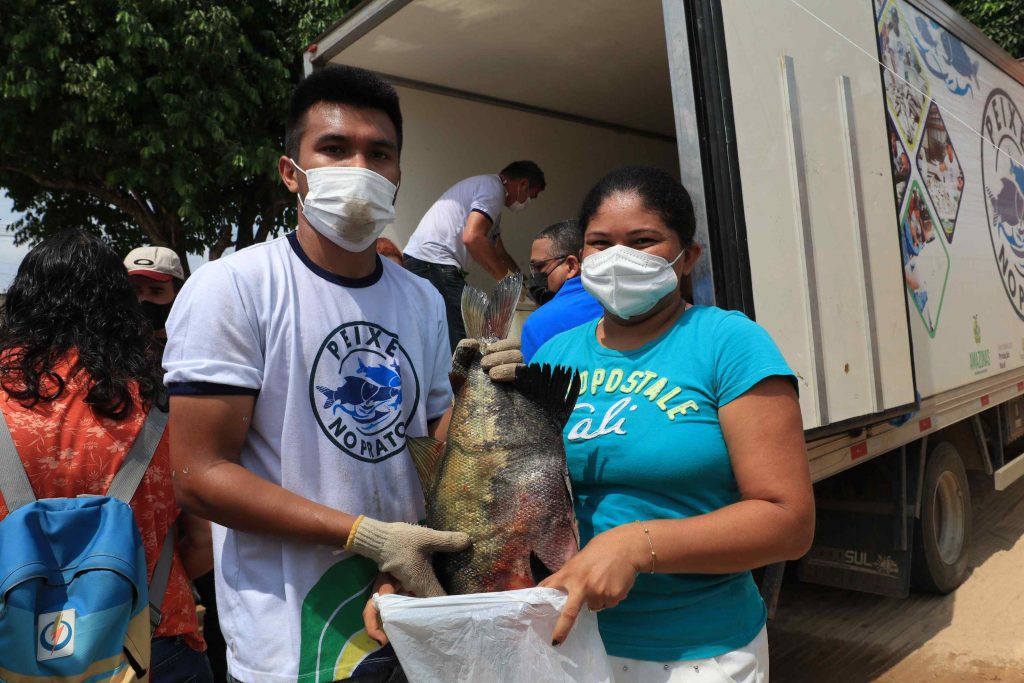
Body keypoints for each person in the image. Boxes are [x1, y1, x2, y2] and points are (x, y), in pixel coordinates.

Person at [163, 65, 469, 683]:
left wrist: (483, 395)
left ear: (399, 173)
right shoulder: (234, 287)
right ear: (290, 172)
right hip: (292, 639)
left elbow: (437, 438)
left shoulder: (423, 299)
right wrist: (365, 535)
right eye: (333, 148)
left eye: (378, 153)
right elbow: (199, 475)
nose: (358, 167)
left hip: (412, 608)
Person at [524, 166, 815, 681]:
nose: (619, 259)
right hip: (566, 645)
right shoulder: (553, 353)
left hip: (699, 655)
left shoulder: (728, 343)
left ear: (688, 258)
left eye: (643, 241)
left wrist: (638, 544)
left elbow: (788, 522)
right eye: (601, 243)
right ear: (580, 259)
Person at [0, 229, 213, 682]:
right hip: (154, 644)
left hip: (12, 648)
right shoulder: (164, 403)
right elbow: (203, 544)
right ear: (121, 306)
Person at [403, 161, 546, 351]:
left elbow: (498, 252)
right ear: (523, 185)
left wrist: (521, 281)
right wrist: (506, 280)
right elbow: (473, 237)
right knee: (463, 338)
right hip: (433, 262)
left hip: (429, 262)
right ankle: (460, 381)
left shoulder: (489, 192)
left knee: (442, 335)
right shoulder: (493, 190)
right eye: (531, 196)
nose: (527, 202)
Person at [520, 220, 603, 362]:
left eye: (539, 266)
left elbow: (531, 382)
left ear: (571, 266)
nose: (535, 276)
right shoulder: (625, 307)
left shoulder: (538, 324)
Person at [124, 245, 185, 347]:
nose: (143, 299)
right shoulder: (108, 347)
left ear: (178, 293)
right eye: (135, 291)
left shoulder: (192, 348)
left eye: (156, 292)